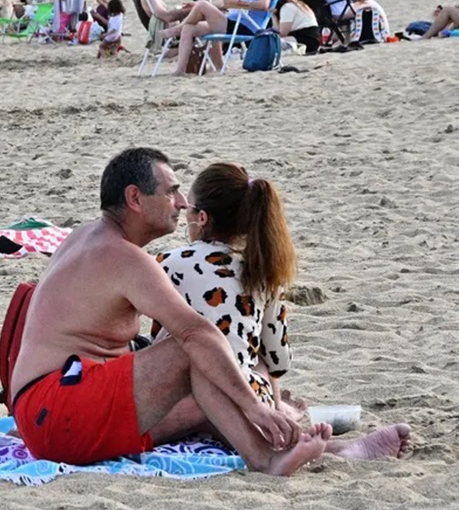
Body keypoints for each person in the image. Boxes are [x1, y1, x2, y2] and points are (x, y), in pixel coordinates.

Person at [12, 148, 323, 474]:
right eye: (171, 191)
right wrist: (255, 407)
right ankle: (265, 458)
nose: (182, 203)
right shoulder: (123, 257)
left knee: (201, 382)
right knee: (191, 348)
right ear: (135, 197)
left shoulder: (86, 236)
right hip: (57, 413)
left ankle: (291, 441)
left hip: (42, 410)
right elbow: (196, 334)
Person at [154, 163, 412, 460]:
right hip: (251, 398)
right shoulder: (261, 272)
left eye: (190, 209)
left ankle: (315, 443)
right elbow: (279, 359)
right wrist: (274, 402)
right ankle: (325, 445)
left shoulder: (170, 262)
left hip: (193, 397)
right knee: (261, 358)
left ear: (201, 218)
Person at [160, 0, 277, 75]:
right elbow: (223, 4)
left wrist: (239, 2)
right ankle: (180, 70)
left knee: (203, 5)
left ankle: (176, 30)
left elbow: (264, 4)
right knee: (189, 28)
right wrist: (195, 6)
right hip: (232, 23)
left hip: (244, 27)